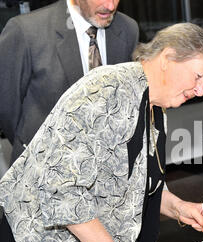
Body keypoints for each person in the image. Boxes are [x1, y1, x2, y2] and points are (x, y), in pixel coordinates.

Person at [0, 22, 203, 242]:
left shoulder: (156, 109)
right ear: (167, 58)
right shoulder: (106, 89)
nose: (200, 91)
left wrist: (178, 208)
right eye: (197, 77)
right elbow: (62, 191)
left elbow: (141, 184)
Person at [0, 0, 139, 165]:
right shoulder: (26, 31)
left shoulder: (128, 29)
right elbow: (6, 106)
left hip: (106, 168)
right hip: (42, 168)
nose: (110, 6)